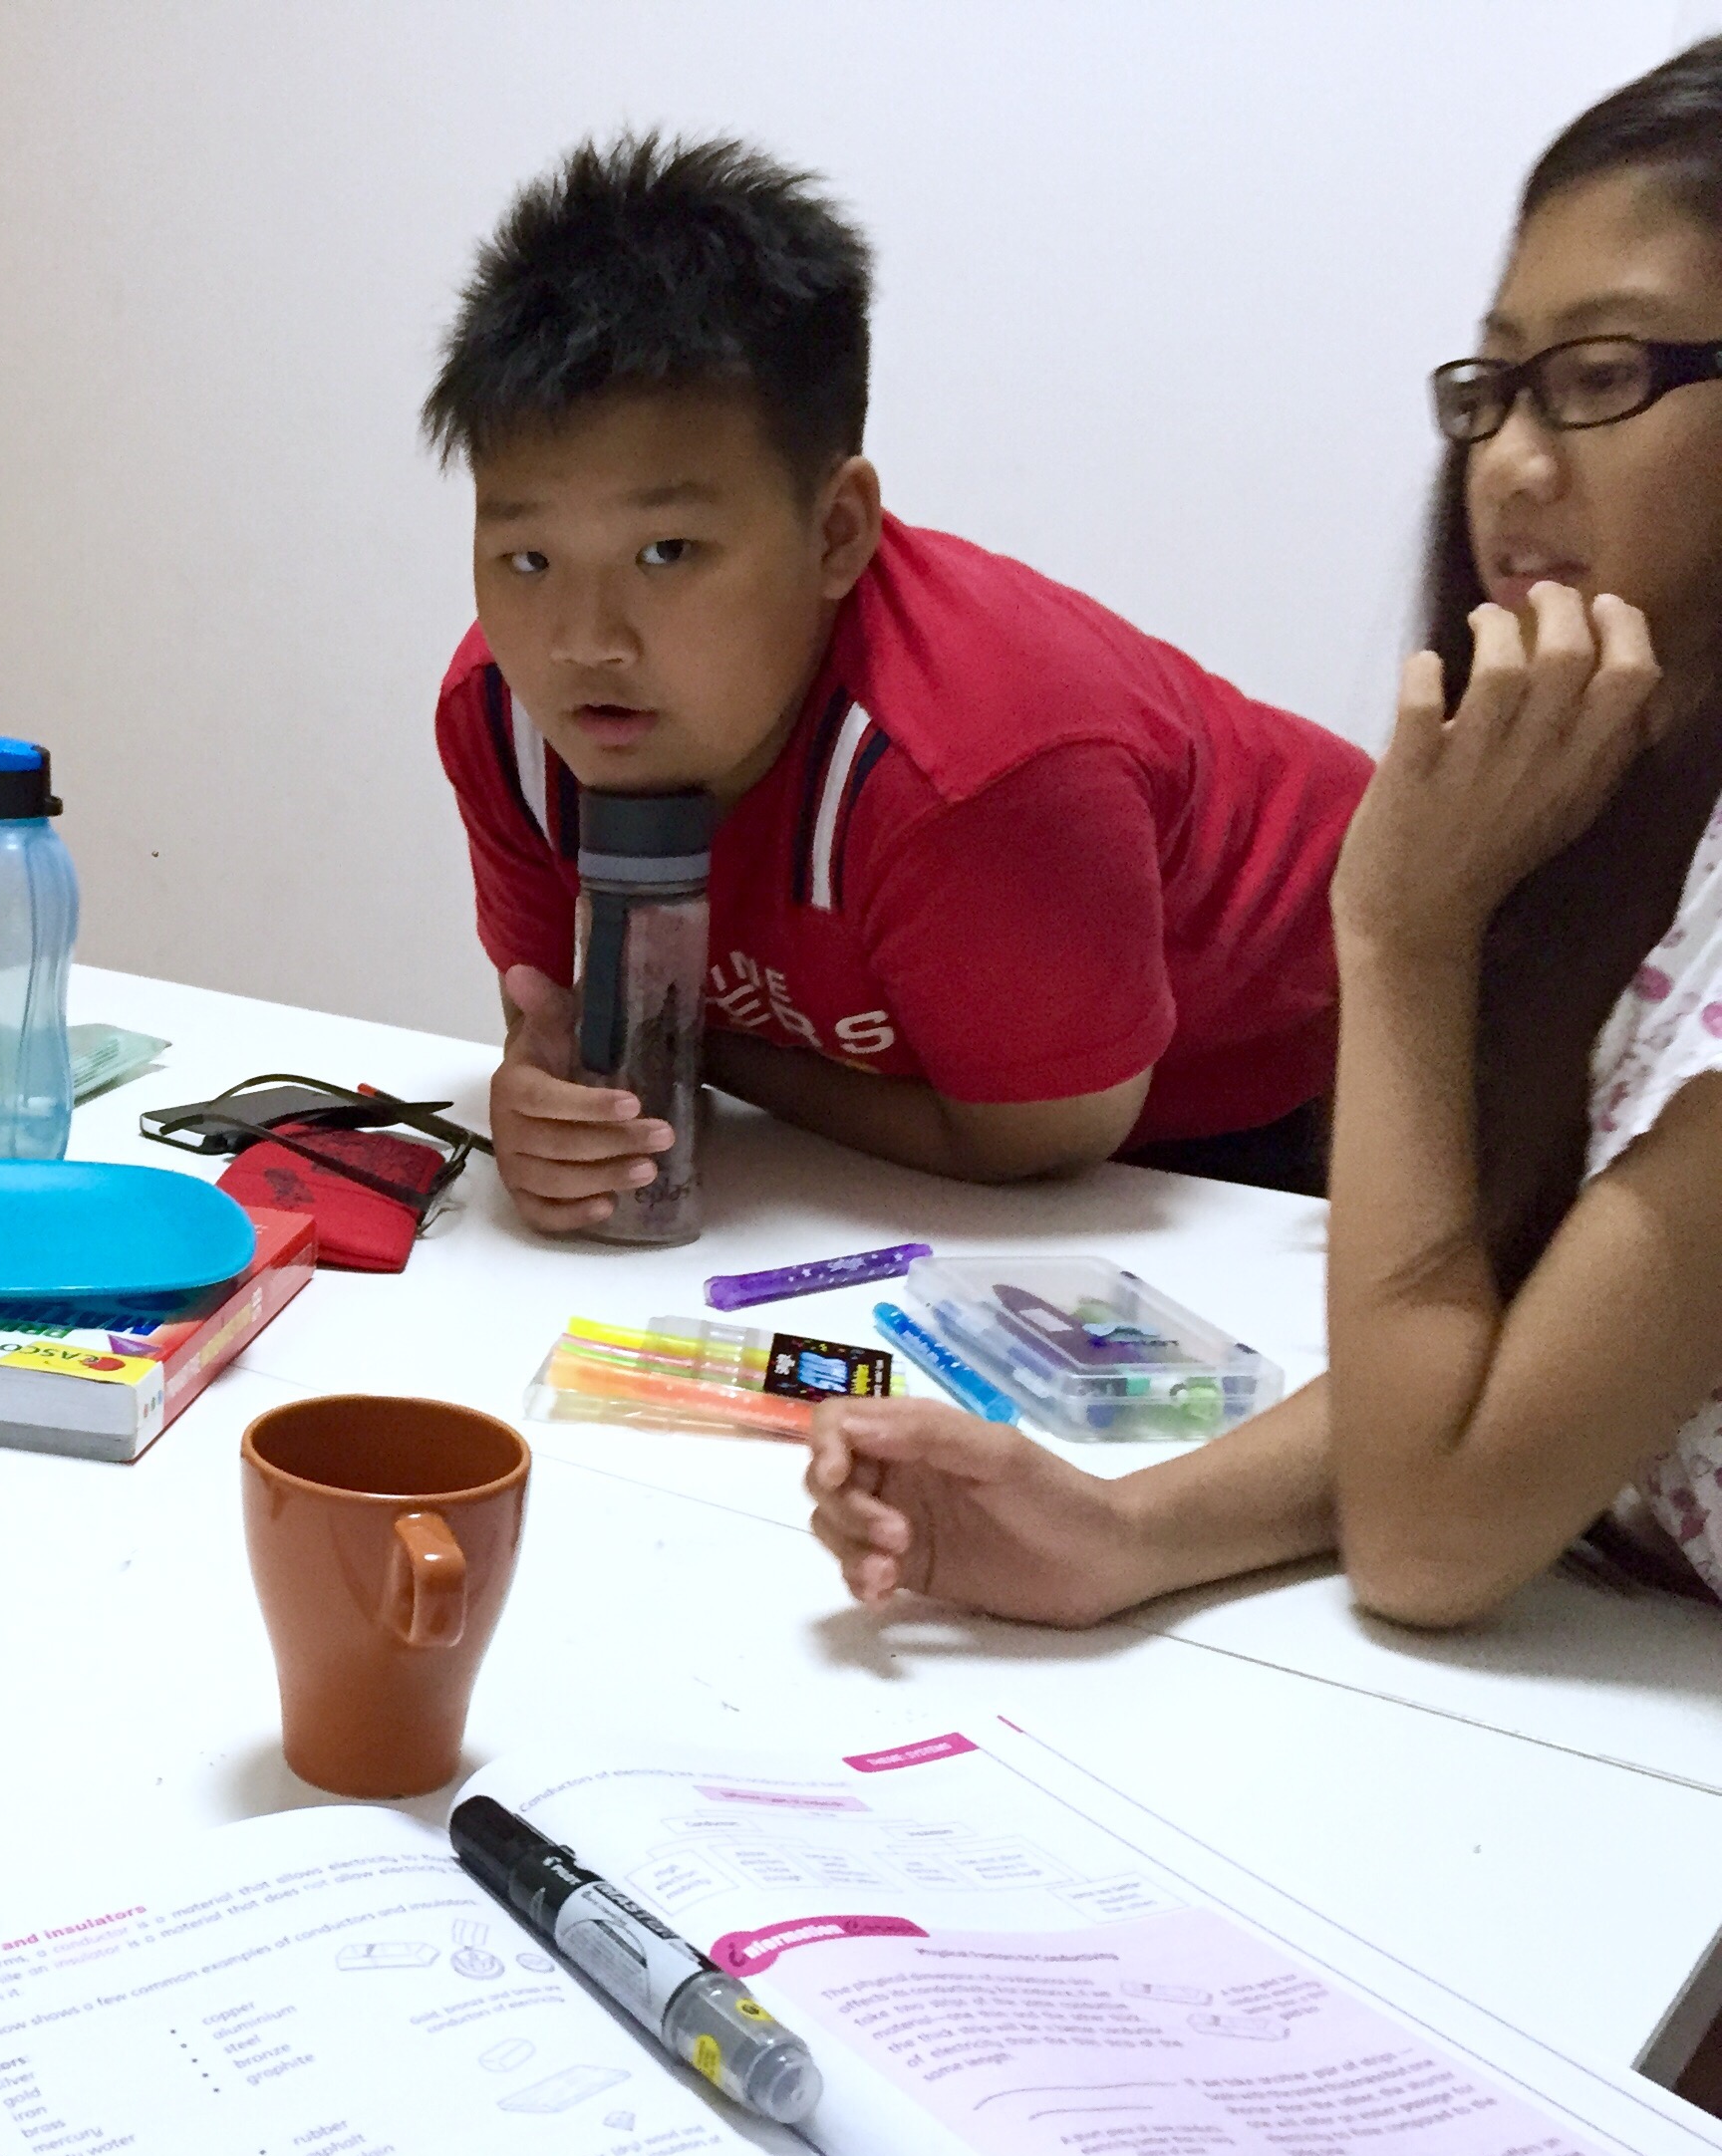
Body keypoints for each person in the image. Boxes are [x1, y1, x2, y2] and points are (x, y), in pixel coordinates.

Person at [808, 39, 1722, 1649]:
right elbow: (1503, 1365)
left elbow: (1430, 1531)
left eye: (1597, 379)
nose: (1510, 461)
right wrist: (1120, 1533)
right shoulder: (1610, 791)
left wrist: (1400, 925)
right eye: (1493, 386)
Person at [426, 135, 1370, 1226]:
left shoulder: (977, 764)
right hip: (995, 1125)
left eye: (666, 552)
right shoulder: (501, 717)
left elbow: (1042, 1136)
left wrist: (698, 1054)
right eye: (528, 559)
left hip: (1310, 1074)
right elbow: (563, 1024)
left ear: (837, 532)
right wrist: (547, 1104)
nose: (585, 643)